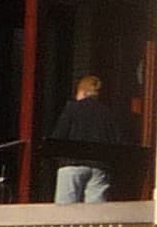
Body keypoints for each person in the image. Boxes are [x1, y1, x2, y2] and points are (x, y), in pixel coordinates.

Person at [48, 74, 124, 203]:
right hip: (99, 166)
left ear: (82, 92)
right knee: (96, 212)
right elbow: (117, 140)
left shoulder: (72, 108)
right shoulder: (108, 112)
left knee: (66, 211)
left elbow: (59, 137)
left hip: (72, 164)